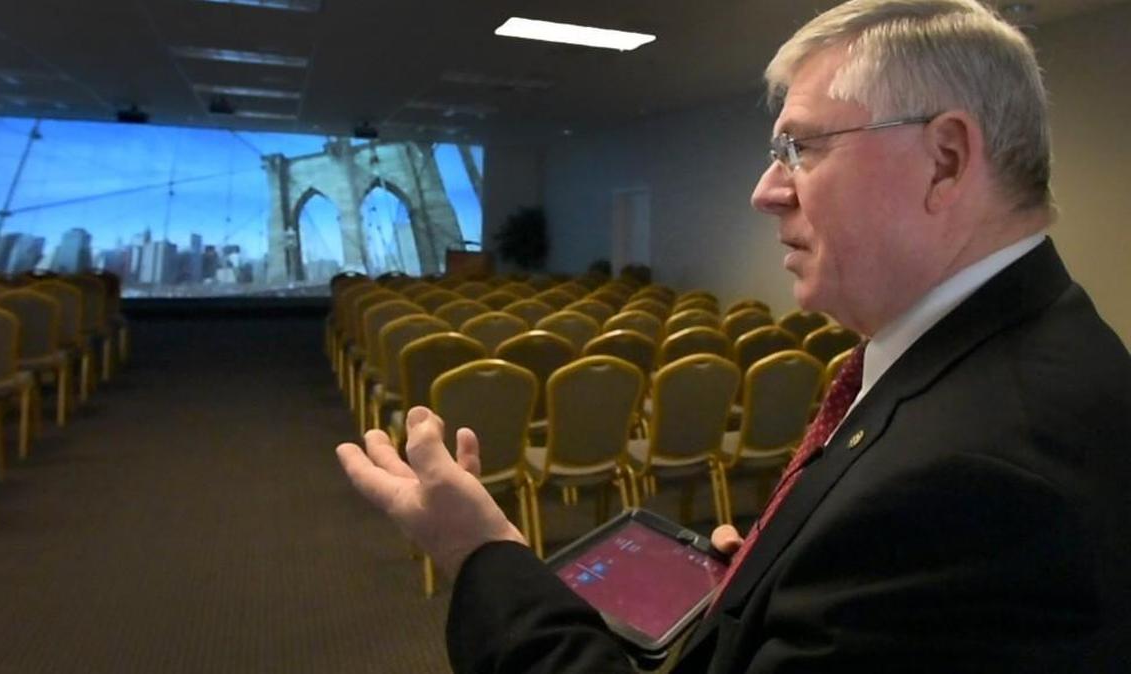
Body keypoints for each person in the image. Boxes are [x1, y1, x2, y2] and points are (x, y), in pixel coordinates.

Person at [337, 0, 1131, 671]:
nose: (765, 190)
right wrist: (773, 582)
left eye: (802, 148)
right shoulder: (1037, 348)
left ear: (946, 159)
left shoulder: (975, 481)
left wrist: (480, 553)